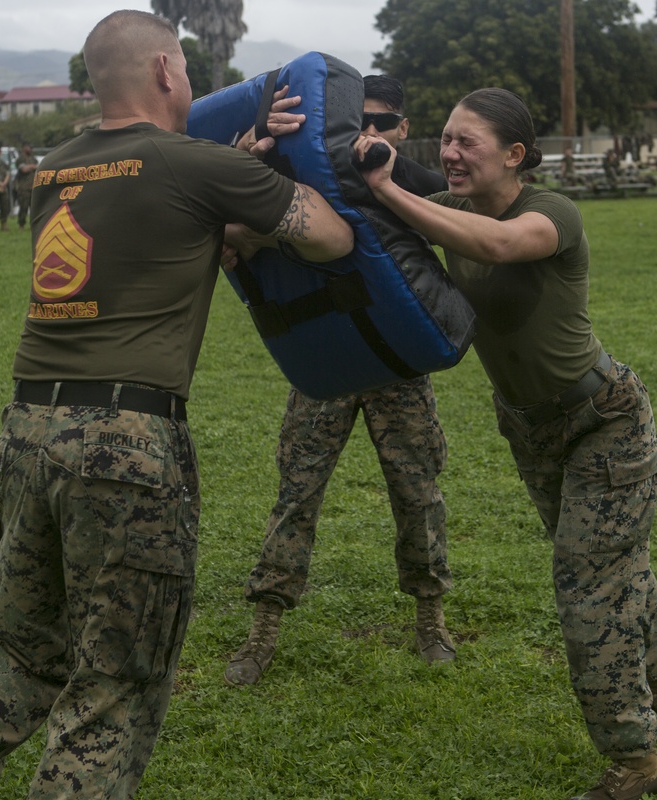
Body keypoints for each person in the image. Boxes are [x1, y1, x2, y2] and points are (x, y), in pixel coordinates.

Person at [0, 10, 352, 800]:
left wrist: (235, 172)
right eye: (183, 70)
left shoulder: (56, 168)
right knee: (115, 678)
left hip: (29, 428)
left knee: (16, 646)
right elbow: (330, 238)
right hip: (126, 442)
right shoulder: (192, 166)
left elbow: (157, 227)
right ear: (167, 73)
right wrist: (266, 175)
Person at [356, 88, 657, 800]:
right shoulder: (454, 204)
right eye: (445, 139)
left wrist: (389, 189)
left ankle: (637, 762)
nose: (449, 152)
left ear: (514, 155)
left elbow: (495, 245)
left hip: (604, 421)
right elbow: (357, 184)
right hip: (530, 429)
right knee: (609, 565)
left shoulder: (550, 213)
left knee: (587, 585)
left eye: (467, 142)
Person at [223, 74, 454, 688]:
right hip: (327, 358)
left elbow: (475, 224)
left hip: (395, 365)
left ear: (403, 130)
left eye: (381, 124)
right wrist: (249, 152)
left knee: (418, 493)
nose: (368, 134)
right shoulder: (311, 170)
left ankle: (430, 618)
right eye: (360, 123)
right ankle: (263, 630)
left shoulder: (415, 182)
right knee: (297, 492)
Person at [14, 141, 39, 229]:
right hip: (23, 187)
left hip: (33, 186)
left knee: (34, 208)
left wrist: (31, 167)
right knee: (23, 208)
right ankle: (21, 224)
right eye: (29, 147)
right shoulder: (20, 159)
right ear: (24, 147)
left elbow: (38, 168)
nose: (31, 149)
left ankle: (35, 225)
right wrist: (33, 167)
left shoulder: (33, 159)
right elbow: (23, 169)